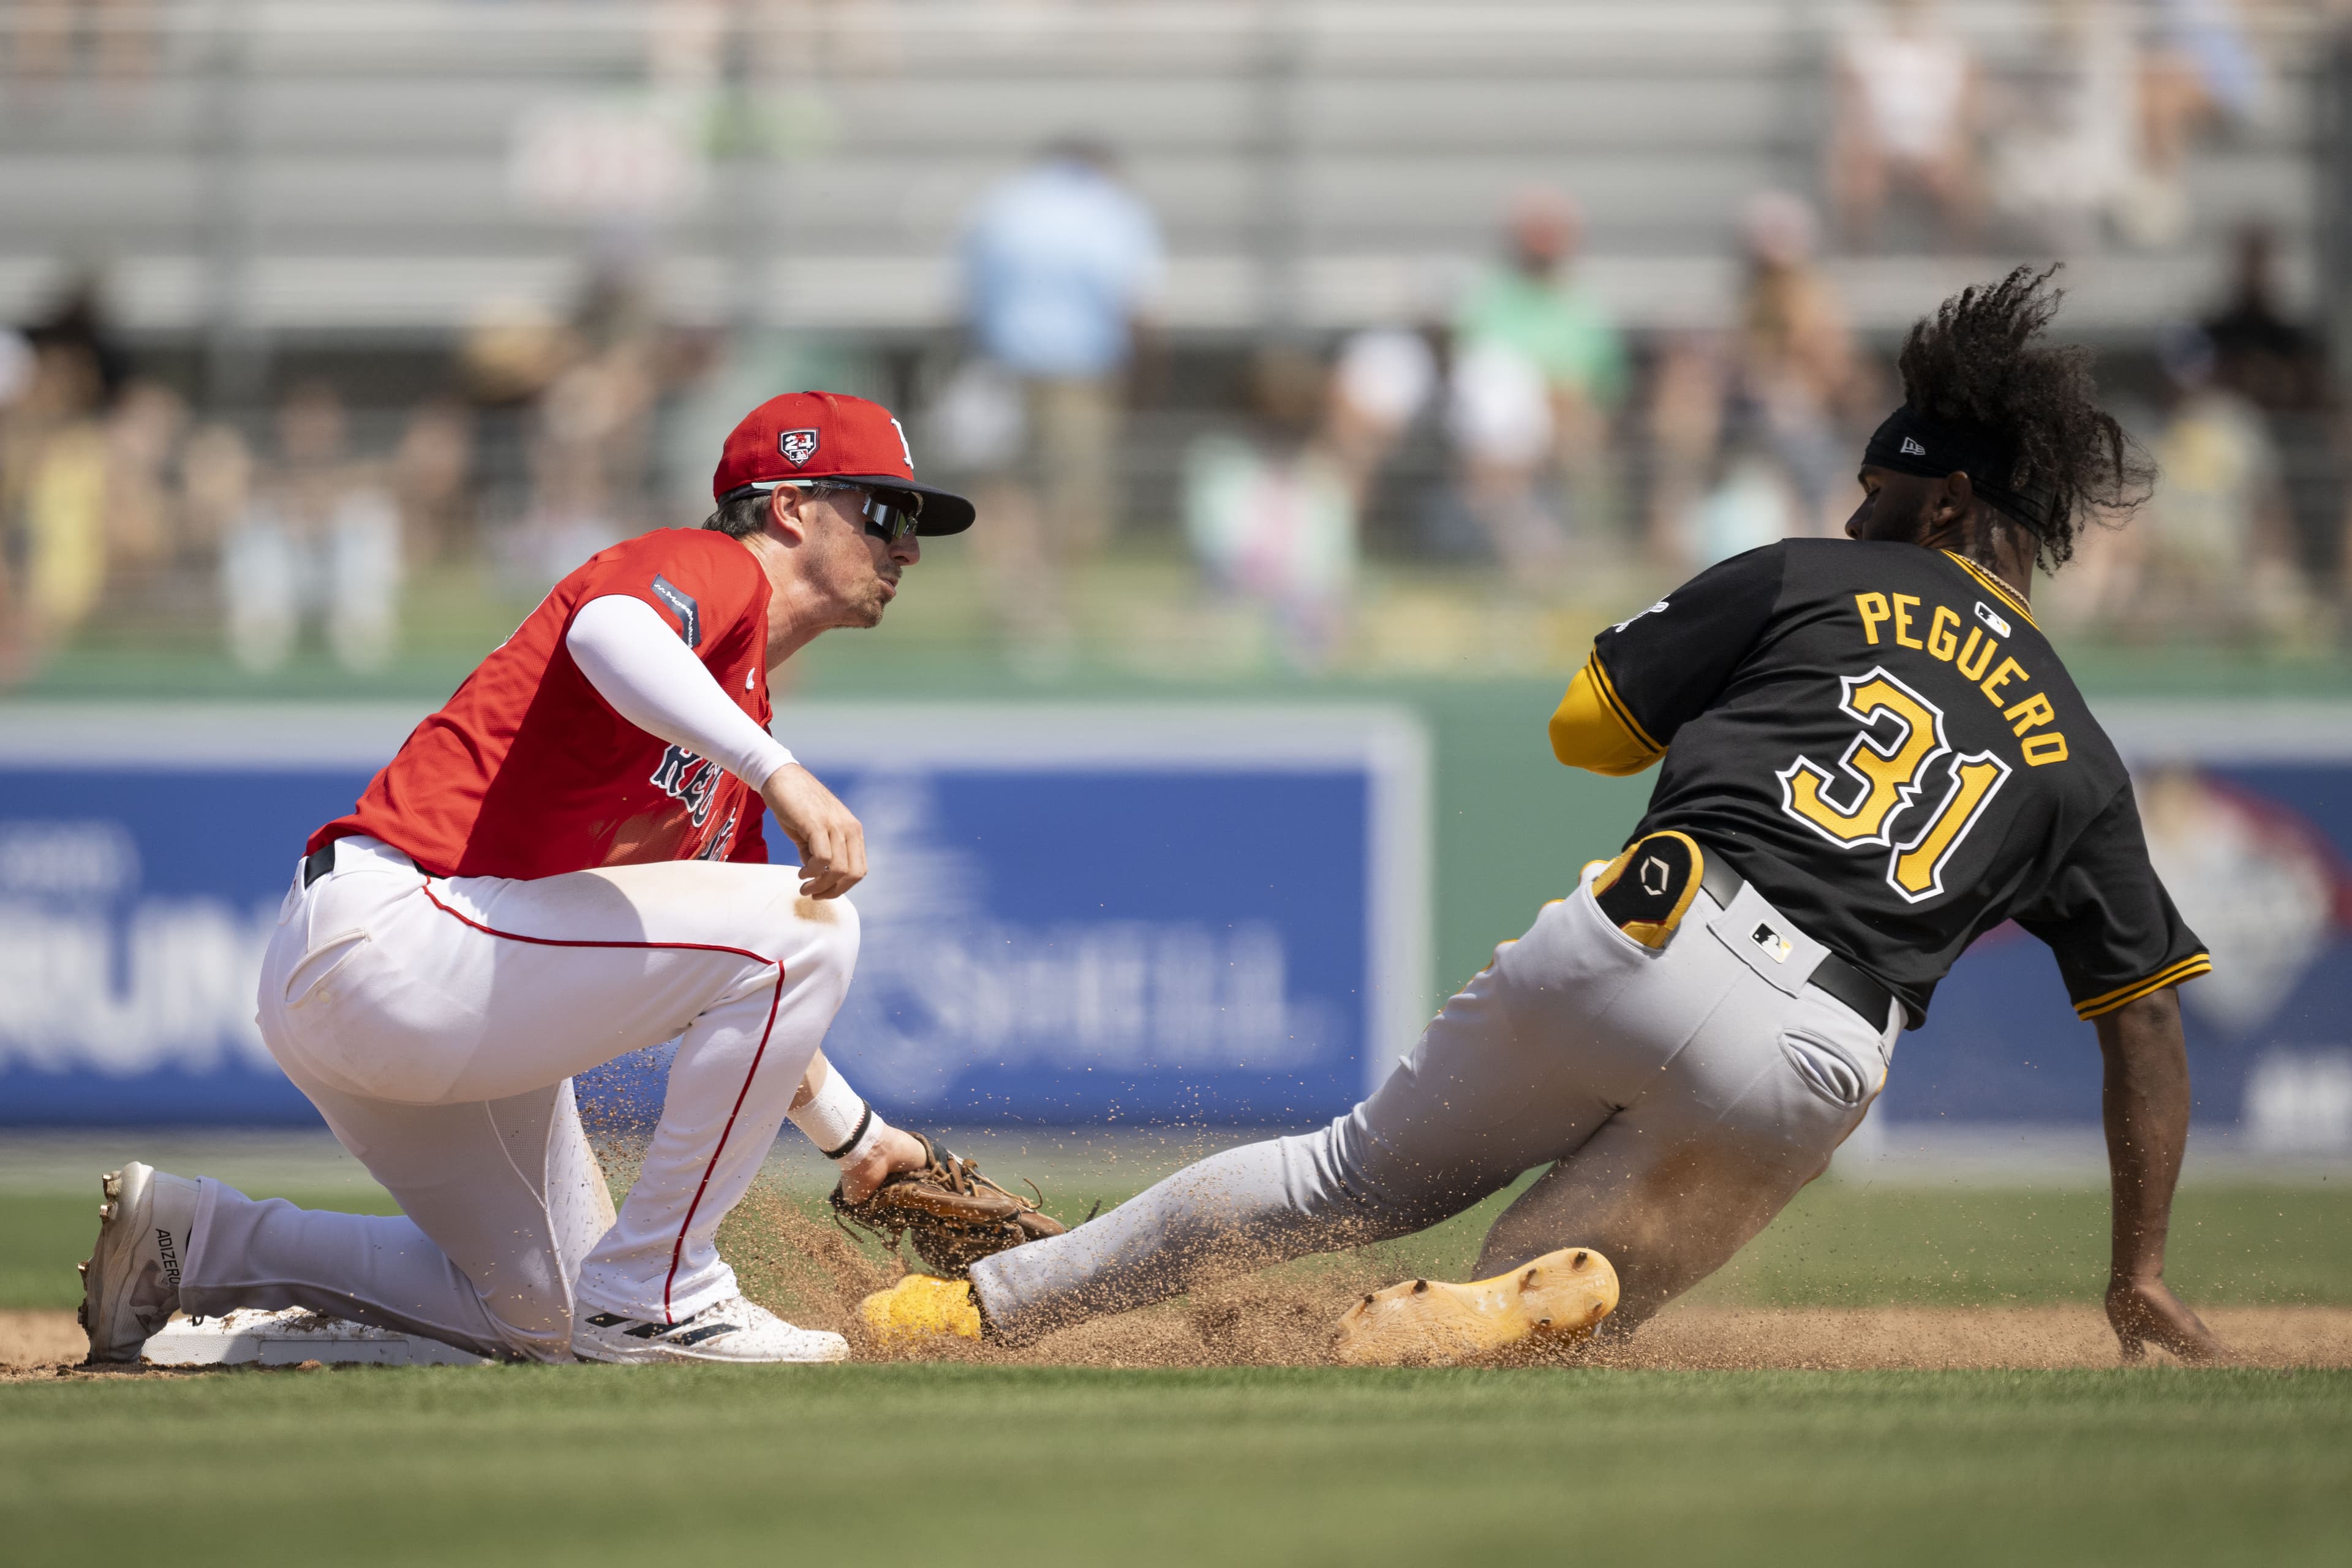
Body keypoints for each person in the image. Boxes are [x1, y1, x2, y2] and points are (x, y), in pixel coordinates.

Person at [862, 268, 2226, 1367]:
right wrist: (2139, 1270)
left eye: (1880, 489)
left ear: (1950, 498)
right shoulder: (2081, 758)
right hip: (1819, 1050)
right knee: (1537, 1314)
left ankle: (978, 1309)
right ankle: (1498, 1309)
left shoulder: (1810, 576)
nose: (1855, 508)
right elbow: (2147, 1017)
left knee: (1340, 1178)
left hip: (1654, 927)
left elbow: (1587, 728)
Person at [77, 390, 988, 1366]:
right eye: (884, 513)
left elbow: (748, 984)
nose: (909, 549)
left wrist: (856, 1141)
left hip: (430, 992)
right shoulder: (709, 569)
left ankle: (190, 1239)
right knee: (810, 927)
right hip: (399, 926)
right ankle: (663, 1294)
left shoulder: (735, 744)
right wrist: (781, 770)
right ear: (792, 507)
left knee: (543, 1317)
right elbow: (609, 633)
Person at [952, 137, 1165, 658]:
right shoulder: (1111, 210)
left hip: (999, 364)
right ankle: (1050, 610)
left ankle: (1020, 608)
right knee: (1075, 494)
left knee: (1006, 492)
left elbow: (963, 295)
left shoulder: (1000, 204)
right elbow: (1137, 301)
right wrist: (1146, 381)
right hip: (1080, 374)